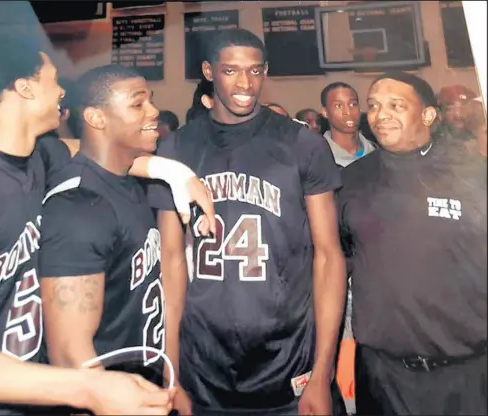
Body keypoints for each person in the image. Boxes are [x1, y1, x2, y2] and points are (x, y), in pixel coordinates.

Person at [0, 34, 215, 416]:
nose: (62, 93)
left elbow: (100, 153)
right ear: (25, 87)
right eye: (53, 80)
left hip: (33, 397)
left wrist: (175, 172)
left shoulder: (40, 156)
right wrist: (89, 388)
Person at [147, 28, 347, 416]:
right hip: (202, 364)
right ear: (208, 71)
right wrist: (171, 371)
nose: (245, 83)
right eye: (231, 71)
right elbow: (170, 261)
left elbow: (329, 256)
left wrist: (323, 374)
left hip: (288, 361)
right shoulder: (176, 148)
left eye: (255, 71)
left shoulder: (302, 144)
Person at [38, 64, 213, 385]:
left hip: (143, 380)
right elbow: (68, 354)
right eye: (138, 103)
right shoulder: (79, 206)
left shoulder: (128, 184)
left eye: (150, 100)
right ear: (96, 118)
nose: (154, 111)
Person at [338, 71, 487, 415]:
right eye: (374, 106)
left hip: (466, 373)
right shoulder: (351, 180)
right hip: (382, 376)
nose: (380, 114)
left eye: (396, 105)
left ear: (428, 115)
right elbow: (339, 263)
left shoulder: (472, 173)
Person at [321, 82, 376, 168]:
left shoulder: (377, 152)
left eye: (353, 104)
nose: (348, 112)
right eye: (338, 106)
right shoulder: (316, 159)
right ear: (325, 112)